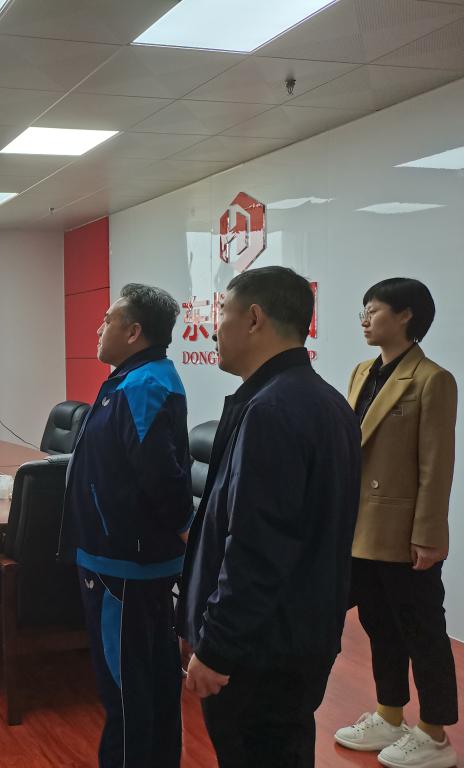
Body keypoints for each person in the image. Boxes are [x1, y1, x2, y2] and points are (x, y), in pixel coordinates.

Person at [177, 266, 361, 768]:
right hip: (299, 636)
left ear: (254, 318)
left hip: (259, 652)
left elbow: (256, 549)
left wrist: (217, 648)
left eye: (222, 315)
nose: (214, 331)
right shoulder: (326, 402)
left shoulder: (271, 410)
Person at [59, 283, 191, 768]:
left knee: (127, 691)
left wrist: (184, 528)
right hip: (121, 558)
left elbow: (161, 474)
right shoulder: (133, 378)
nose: (99, 328)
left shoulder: (143, 385)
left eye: (108, 320)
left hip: (124, 566)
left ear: (134, 332)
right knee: (148, 683)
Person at [334, 278, 458, 768]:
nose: (365, 319)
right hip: (362, 528)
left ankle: (435, 733)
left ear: (406, 315)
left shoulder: (432, 379)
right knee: (379, 625)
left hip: (405, 533)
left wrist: (428, 535)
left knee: (422, 630)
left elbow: (436, 466)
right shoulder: (362, 371)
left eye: (375, 309)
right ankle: (389, 714)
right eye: (363, 310)